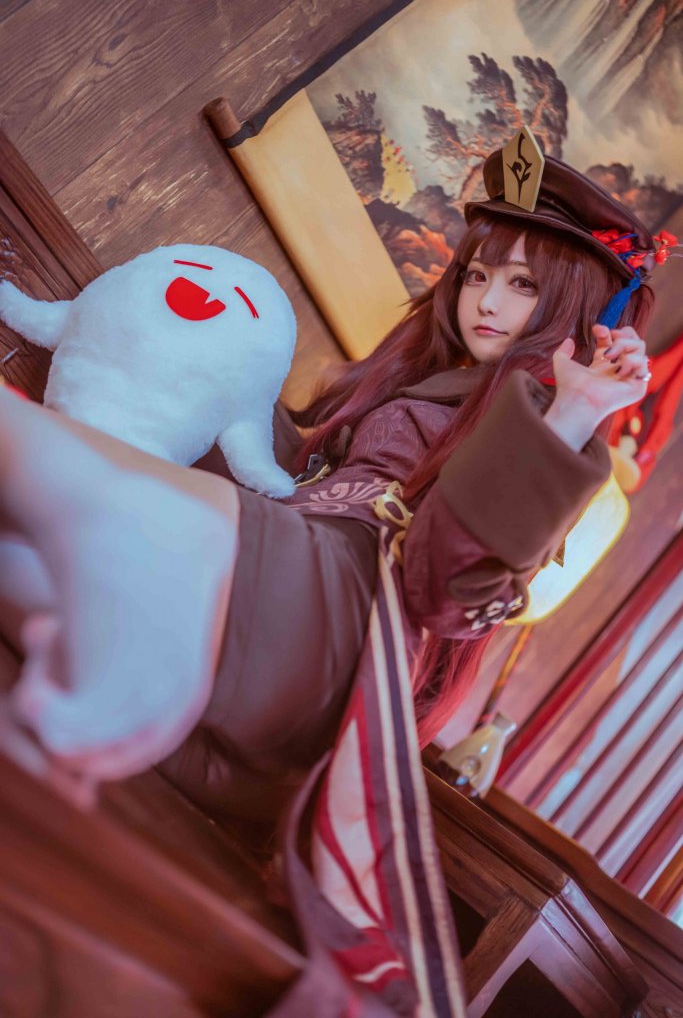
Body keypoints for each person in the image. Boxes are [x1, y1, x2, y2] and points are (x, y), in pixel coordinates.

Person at [0, 135, 657, 823]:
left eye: (523, 285)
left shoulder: (542, 432)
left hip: (336, 606)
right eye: (477, 275)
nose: (486, 301)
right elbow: (303, 475)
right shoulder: (432, 379)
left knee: (46, 462)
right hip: (298, 587)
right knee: (26, 566)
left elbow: (446, 598)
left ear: (576, 311)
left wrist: (576, 409)